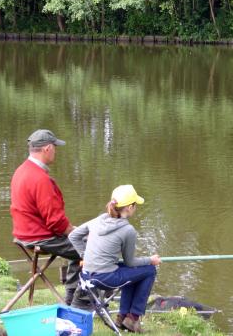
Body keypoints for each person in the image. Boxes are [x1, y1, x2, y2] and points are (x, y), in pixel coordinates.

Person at [69, 184, 161, 333]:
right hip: (105, 278)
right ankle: (133, 318)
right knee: (149, 270)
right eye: (135, 205)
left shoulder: (98, 220)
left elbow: (73, 236)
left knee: (133, 272)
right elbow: (130, 261)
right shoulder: (128, 230)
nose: (136, 208)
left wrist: (84, 256)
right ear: (130, 207)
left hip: (86, 275)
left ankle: (122, 317)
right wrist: (151, 260)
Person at [10, 129, 85, 306]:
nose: (56, 151)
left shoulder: (21, 171)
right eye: (55, 148)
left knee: (79, 244)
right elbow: (56, 222)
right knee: (92, 248)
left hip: (23, 234)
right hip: (41, 237)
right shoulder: (40, 179)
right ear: (47, 148)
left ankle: (73, 296)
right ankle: (79, 301)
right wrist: (74, 231)